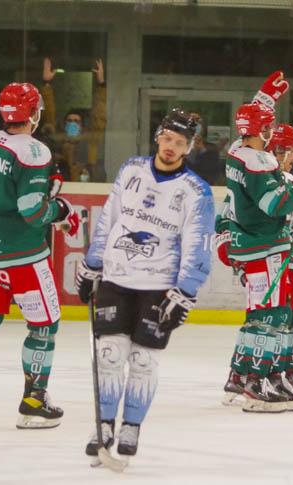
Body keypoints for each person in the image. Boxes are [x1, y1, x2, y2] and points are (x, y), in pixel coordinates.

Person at [77, 108, 214, 461]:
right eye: (167, 139)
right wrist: (93, 264)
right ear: (157, 137)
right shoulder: (131, 169)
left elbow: (198, 242)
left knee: (143, 361)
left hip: (159, 286)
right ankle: (104, 424)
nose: (171, 147)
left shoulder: (196, 191)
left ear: (189, 147)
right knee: (109, 355)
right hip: (116, 277)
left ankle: (131, 426)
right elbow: (109, 217)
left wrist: (186, 291)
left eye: (179, 143)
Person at [0, 82, 79, 429]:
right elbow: (32, 210)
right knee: (44, 327)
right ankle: (34, 403)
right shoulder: (35, 152)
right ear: (33, 113)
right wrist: (61, 210)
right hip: (23, 259)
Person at [217, 71, 293, 413]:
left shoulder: (247, 156)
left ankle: (277, 375)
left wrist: (266, 97)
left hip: (277, 249)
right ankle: (254, 376)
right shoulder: (259, 168)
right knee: (270, 312)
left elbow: (250, 125)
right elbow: (242, 208)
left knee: (291, 310)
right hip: (263, 247)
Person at [40, 57, 107, 182]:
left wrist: (101, 84)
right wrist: (46, 84)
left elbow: (99, 116)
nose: (72, 123)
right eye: (69, 120)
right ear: (65, 124)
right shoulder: (58, 140)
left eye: (76, 121)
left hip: (84, 189)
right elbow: (48, 114)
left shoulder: (90, 142)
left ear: (82, 125)